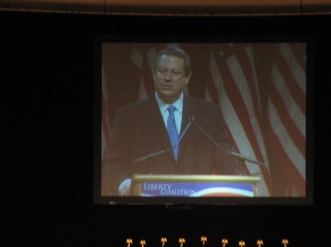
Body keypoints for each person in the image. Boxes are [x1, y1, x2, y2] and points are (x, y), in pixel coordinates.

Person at [102, 45, 244, 196]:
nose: (167, 78)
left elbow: (225, 160)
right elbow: (112, 162)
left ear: (186, 78)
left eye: (175, 73)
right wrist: (125, 184)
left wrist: (242, 182)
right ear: (154, 74)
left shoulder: (208, 114)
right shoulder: (129, 116)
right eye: (162, 71)